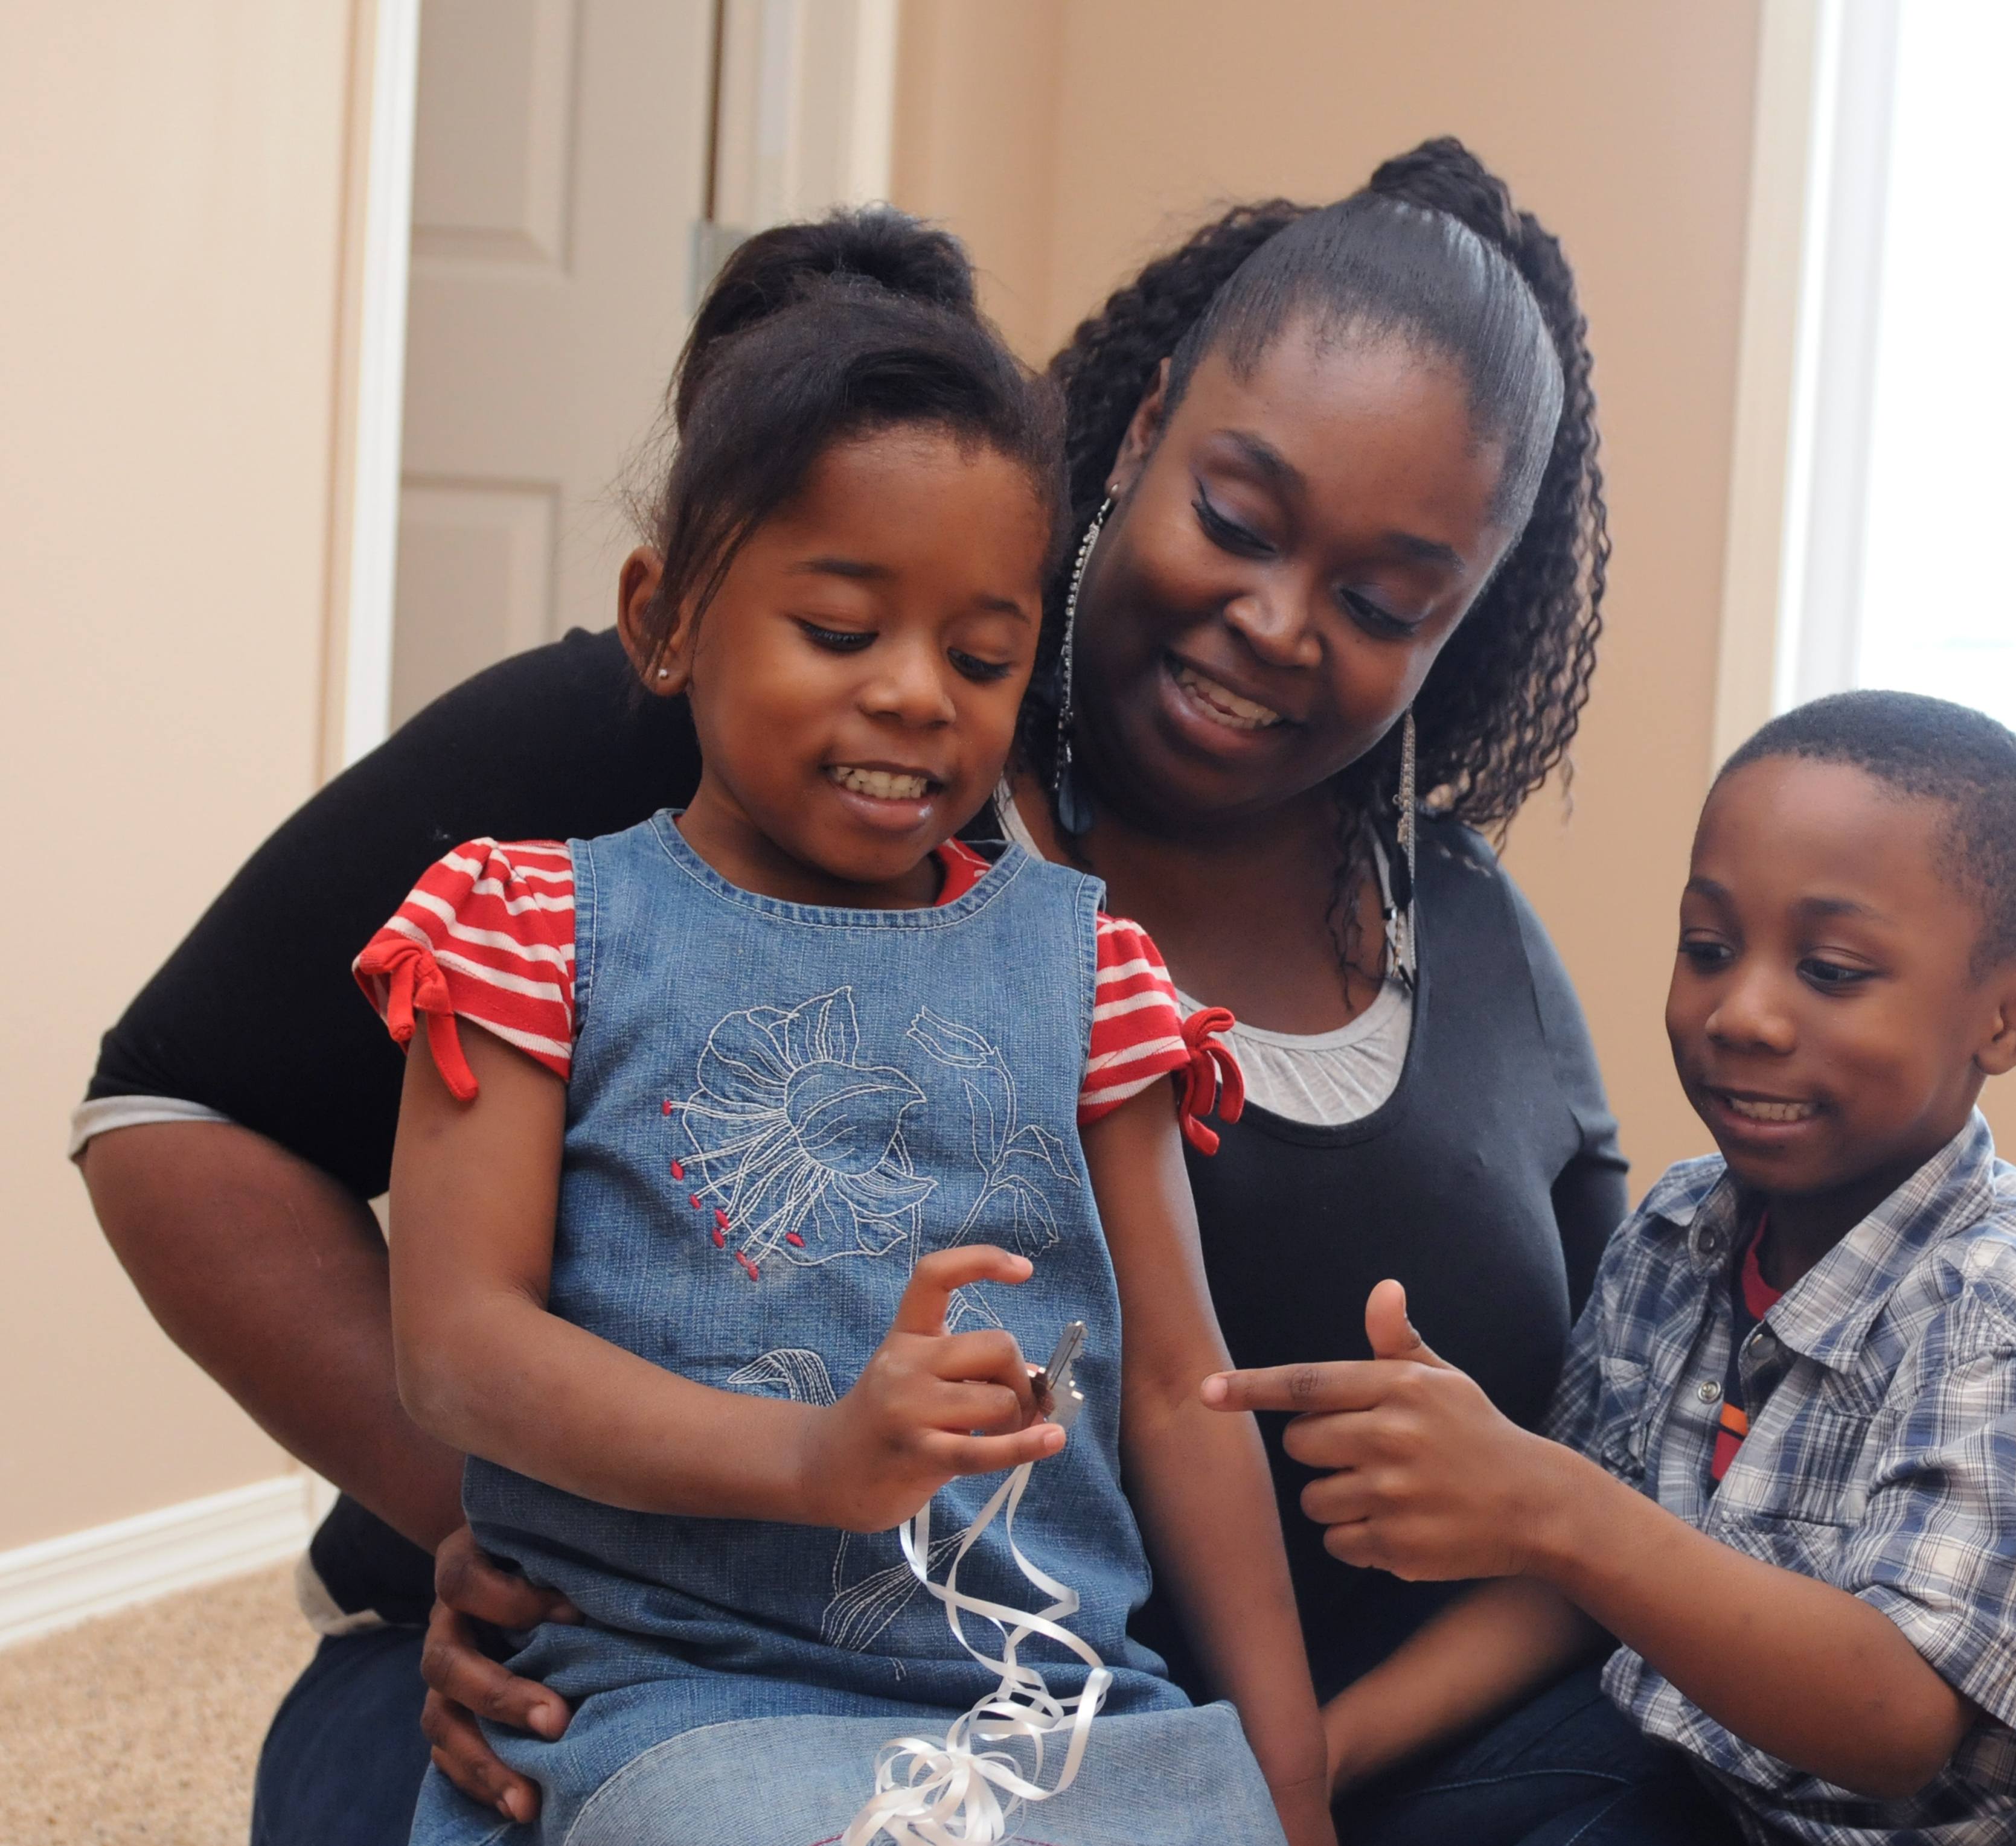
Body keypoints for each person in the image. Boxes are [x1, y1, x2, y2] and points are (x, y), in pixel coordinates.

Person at [74, 138, 1645, 1842]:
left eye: (1381, 598)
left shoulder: (1385, 942)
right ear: (1143, 437)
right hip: (622, 1684)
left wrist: (1292, 1770)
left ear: (1464, 618)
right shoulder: (663, 757)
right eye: (1237, 519)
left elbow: (1558, 1449)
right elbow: (184, 1114)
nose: (1277, 621)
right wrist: (527, 1538)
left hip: (1076, 1710)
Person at [353, 207, 1330, 1845]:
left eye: (982, 651)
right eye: (838, 629)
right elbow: (456, 1350)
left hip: (1046, 1702)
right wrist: (814, 1460)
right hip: (677, 1695)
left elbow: (1179, 1387)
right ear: (665, 619)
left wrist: (1287, 1776)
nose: (914, 694)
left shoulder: (1092, 976)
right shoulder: (536, 932)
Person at [1205, 692, 2016, 1846]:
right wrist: (1319, 1756)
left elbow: (1898, 1722)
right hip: (1764, 1802)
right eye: (1708, 949)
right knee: (1517, 1784)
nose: (1743, 1012)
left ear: (2013, 1014)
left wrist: (1553, 1505)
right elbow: (1573, 1587)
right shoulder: (1671, 1236)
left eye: (1834, 970)